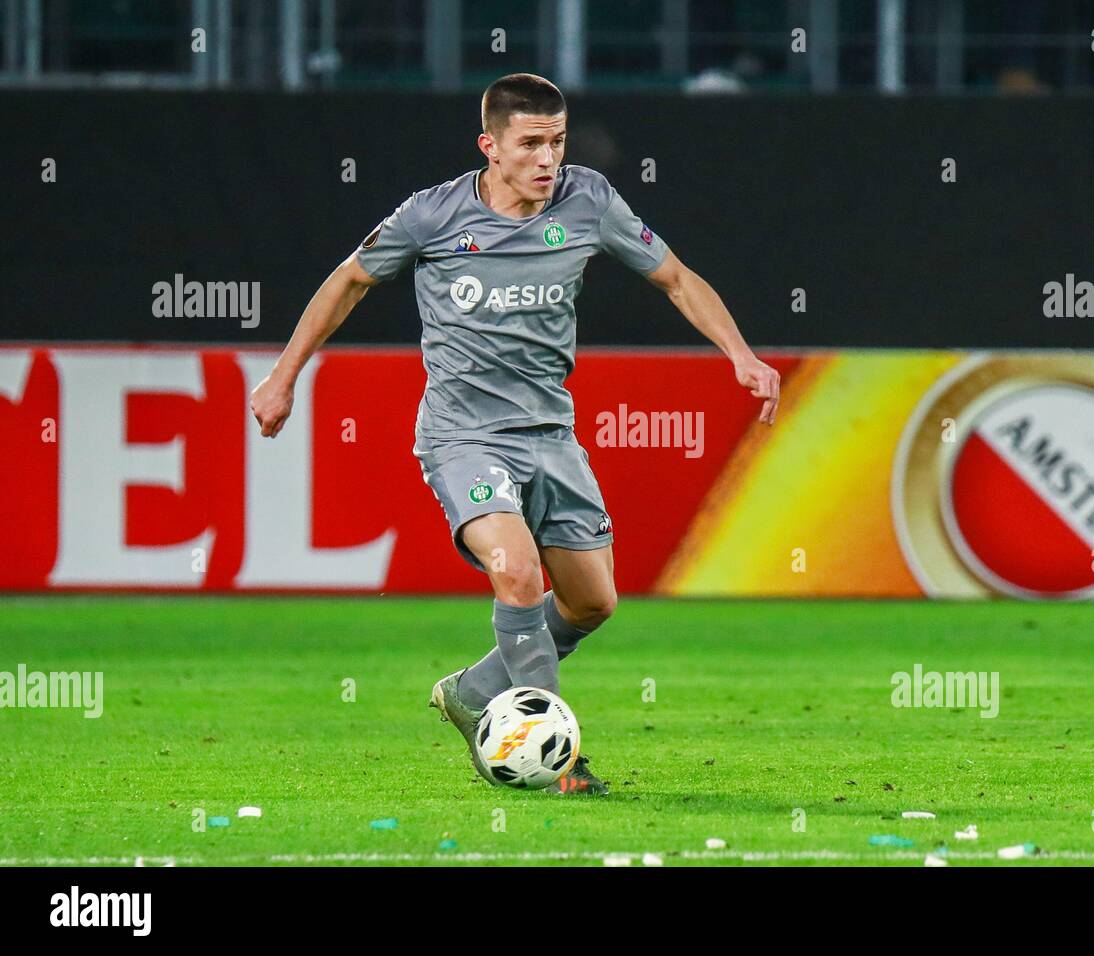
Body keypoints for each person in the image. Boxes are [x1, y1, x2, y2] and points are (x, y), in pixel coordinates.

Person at [248, 73, 780, 795]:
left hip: (550, 434)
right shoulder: (431, 216)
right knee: (517, 571)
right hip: (464, 436)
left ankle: (473, 691)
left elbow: (678, 279)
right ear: (489, 147)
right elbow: (347, 280)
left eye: (556, 142)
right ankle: (555, 759)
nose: (546, 159)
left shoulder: (589, 200)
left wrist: (741, 355)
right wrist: (284, 376)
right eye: (530, 143)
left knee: (593, 601)